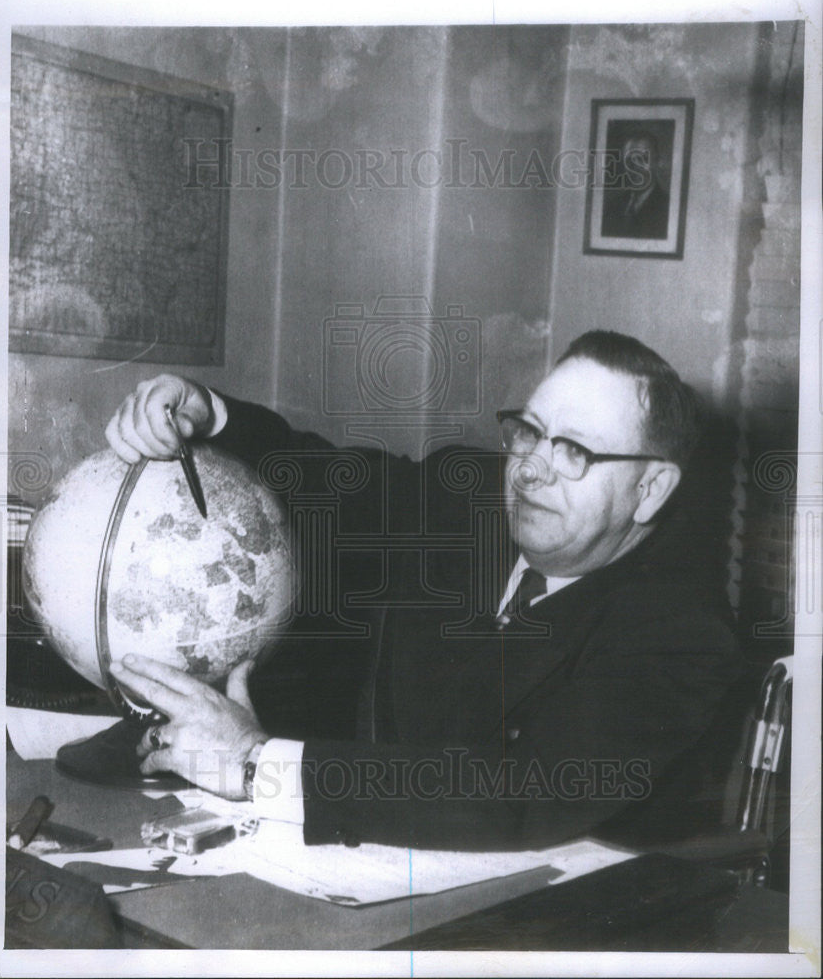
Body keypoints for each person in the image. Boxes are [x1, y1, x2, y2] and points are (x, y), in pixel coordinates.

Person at [105, 331, 741, 851]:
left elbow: (517, 795)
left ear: (651, 488)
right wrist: (208, 412)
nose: (532, 468)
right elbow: (330, 482)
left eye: (574, 450)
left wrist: (252, 762)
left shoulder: (680, 633)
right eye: (528, 431)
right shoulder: (467, 503)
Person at [601, 133, 671, 240]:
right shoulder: (611, 207)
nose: (636, 168)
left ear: (657, 162)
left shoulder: (668, 209)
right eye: (629, 160)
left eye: (643, 159)